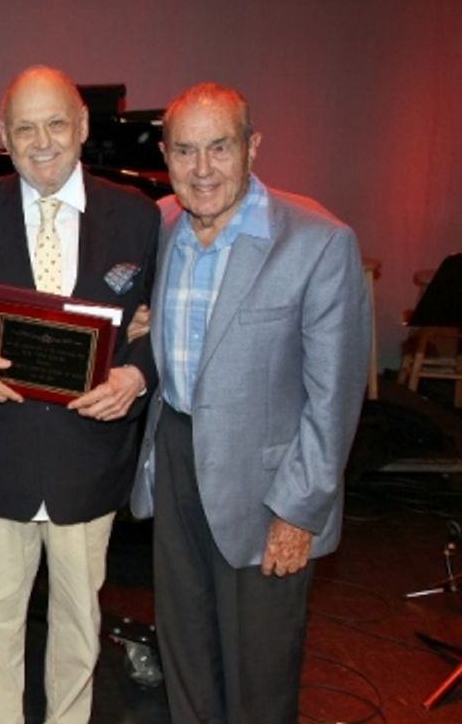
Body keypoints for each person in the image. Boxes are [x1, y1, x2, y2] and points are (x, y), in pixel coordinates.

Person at [129, 82, 370, 723]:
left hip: (268, 486)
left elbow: (334, 398)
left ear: (252, 147)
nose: (202, 169)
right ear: (165, 154)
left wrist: (299, 511)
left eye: (219, 148)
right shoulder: (158, 224)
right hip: (176, 455)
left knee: (259, 680)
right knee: (186, 658)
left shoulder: (318, 242)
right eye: (184, 151)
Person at [0, 66, 159, 723]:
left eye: (56, 122)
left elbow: (161, 324)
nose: (43, 141)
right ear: (2, 135)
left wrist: (135, 375)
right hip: (3, 451)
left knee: (79, 624)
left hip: (90, 453)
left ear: (83, 127)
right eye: (24, 127)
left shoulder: (136, 216)